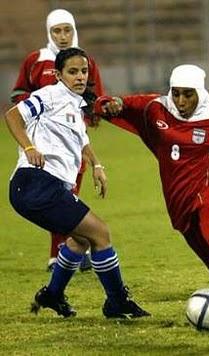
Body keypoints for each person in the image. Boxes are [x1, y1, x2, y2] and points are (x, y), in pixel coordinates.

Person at [94, 64, 209, 318]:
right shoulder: (154, 109)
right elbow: (113, 106)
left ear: (200, 92)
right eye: (176, 93)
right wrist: (109, 103)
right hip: (180, 206)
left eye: (188, 94)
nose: (181, 101)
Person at [5, 47, 149, 319]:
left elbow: (82, 141)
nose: (80, 77)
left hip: (46, 187)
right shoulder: (49, 95)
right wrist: (29, 147)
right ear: (58, 75)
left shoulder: (74, 104)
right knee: (100, 233)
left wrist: (97, 165)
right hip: (34, 182)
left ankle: (52, 295)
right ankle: (117, 302)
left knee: (80, 240)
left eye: (84, 71)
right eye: (73, 72)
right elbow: (12, 115)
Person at [11, 8, 105, 272]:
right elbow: (18, 96)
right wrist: (36, 116)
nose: (63, 36)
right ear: (48, 32)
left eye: (67, 30)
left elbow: (94, 97)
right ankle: (58, 255)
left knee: (68, 194)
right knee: (56, 196)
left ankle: (69, 251)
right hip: (40, 141)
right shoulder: (35, 60)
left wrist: (87, 117)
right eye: (57, 31)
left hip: (74, 140)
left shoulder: (85, 60)